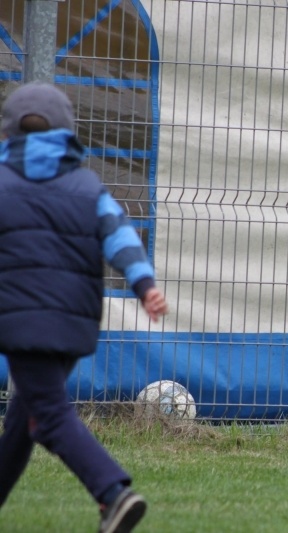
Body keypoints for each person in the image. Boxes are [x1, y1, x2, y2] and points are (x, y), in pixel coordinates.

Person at [0, 82, 168, 532]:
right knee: (25, 416)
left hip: (19, 322)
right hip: (72, 326)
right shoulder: (88, 187)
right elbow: (121, 237)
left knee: (48, 415)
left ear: (8, 133)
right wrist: (144, 284)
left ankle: (113, 493)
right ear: (68, 132)